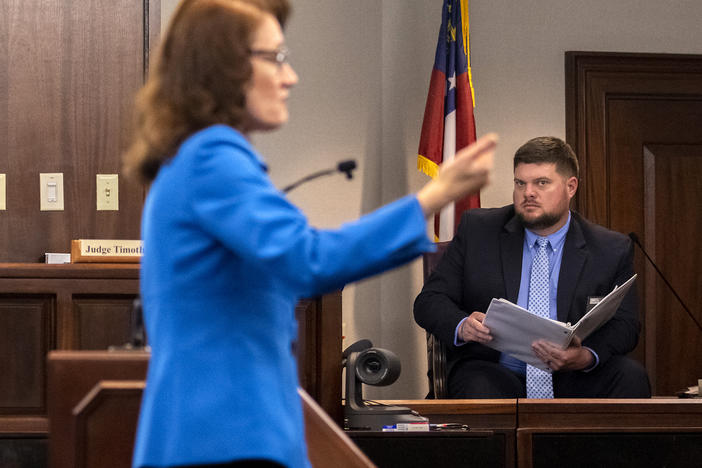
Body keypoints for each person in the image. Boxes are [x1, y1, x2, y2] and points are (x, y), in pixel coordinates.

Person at [122, 0, 496, 467]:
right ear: (225, 66)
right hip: (225, 436)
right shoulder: (212, 158)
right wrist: (433, 197)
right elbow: (309, 261)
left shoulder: (195, 157)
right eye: (276, 57)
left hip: (222, 433)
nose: (290, 76)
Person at [414, 136, 650, 400]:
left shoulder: (610, 248)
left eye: (542, 183)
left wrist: (585, 356)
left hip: (573, 374)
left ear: (571, 187)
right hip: (493, 370)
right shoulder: (478, 231)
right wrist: (462, 325)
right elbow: (429, 301)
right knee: (479, 387)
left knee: (630, 377)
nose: (528, 193)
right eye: (520, 183)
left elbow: (626, 325)